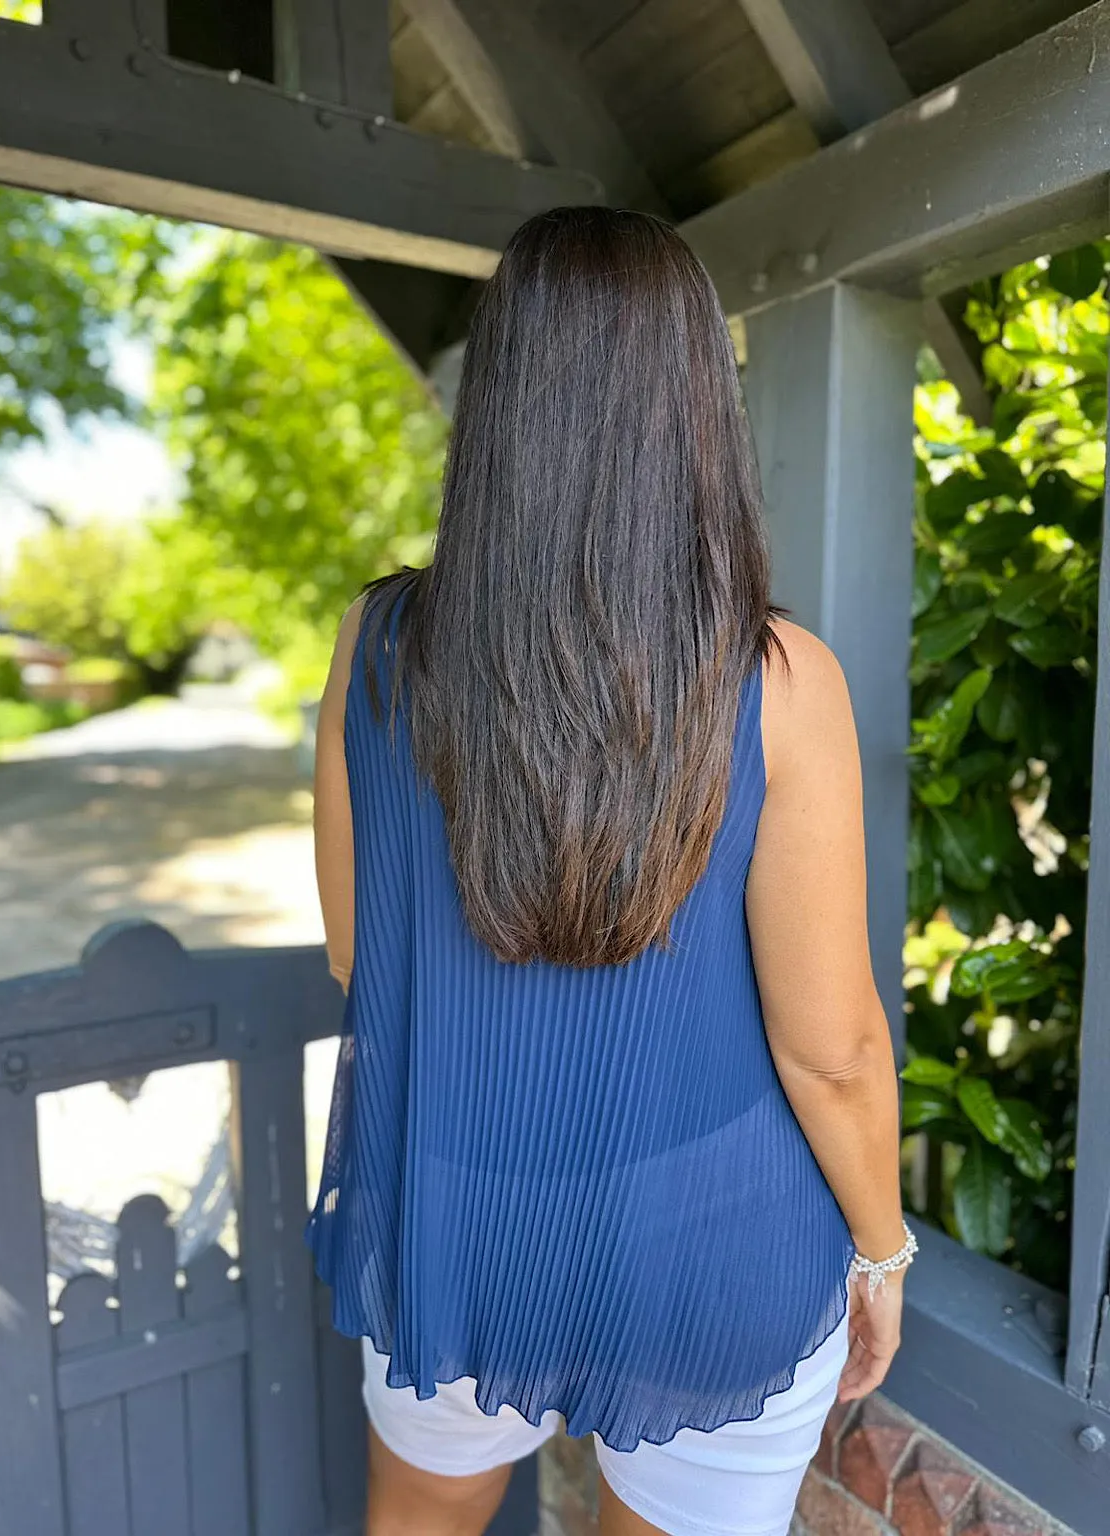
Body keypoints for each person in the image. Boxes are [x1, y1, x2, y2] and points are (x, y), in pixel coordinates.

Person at [307, 205, 913, 1536]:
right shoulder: (776, 685)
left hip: (456, 1227)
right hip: (716, 1247)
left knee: (416, 1514)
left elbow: (360, 958)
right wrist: (883, 1247)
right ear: (701, 403)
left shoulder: (380, 648)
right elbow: (833, 1053)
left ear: (499, 400)